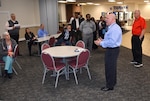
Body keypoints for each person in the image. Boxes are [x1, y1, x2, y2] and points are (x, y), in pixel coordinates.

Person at [94, 13, 122, 91]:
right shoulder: (111, 27)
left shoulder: (115, 28)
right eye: (106, 18)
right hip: (111, 49)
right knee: (111, 67)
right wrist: (103, 40)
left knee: (109, 67)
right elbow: (110, 39)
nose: (105, 19)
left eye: (107, 18)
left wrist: (101, 43)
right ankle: (112, 82)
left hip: (112, 50)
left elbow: (112, 42)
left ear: (113, 20)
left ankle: (109, 85)